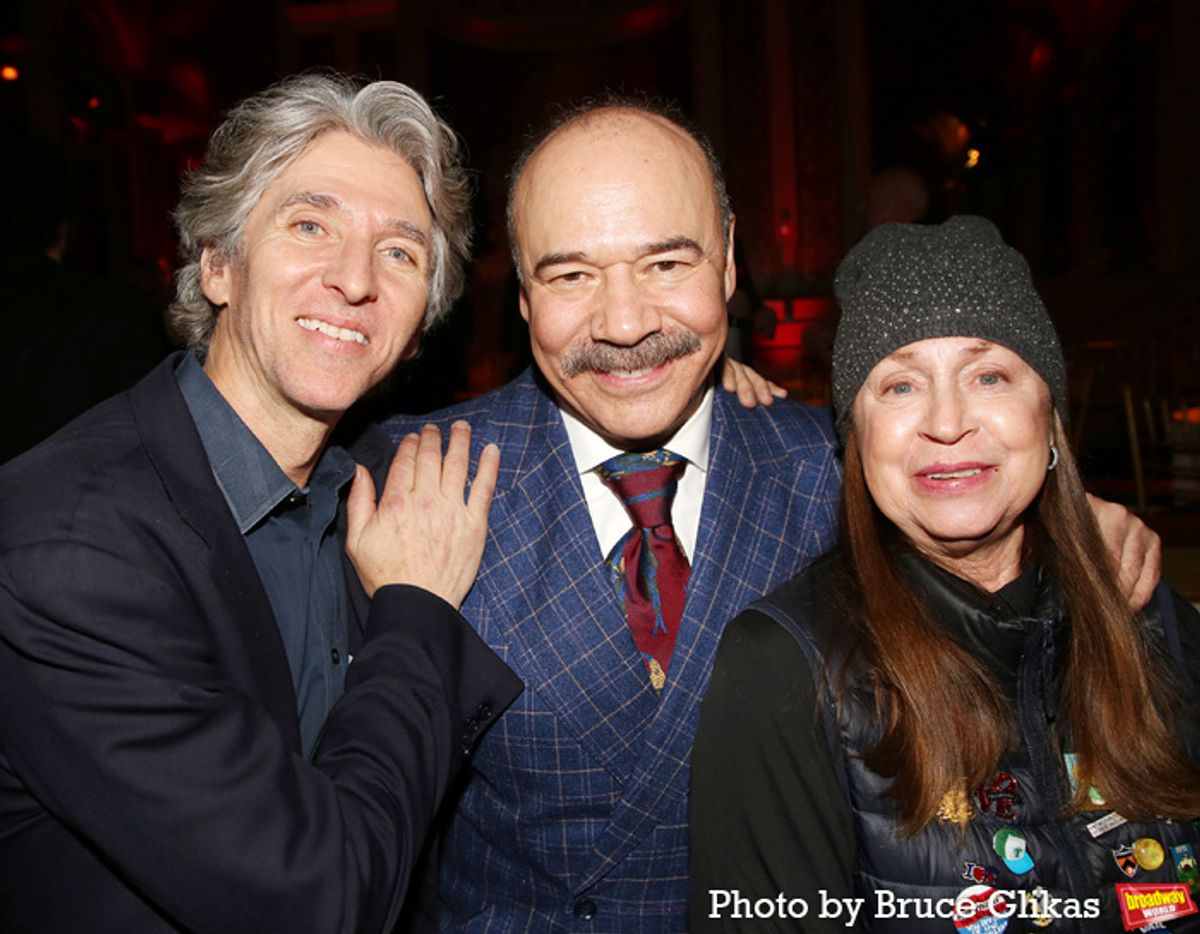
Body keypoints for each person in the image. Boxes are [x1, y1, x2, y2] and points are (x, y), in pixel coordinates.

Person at [378, 101, 1161, 932]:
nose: (625, 324)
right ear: (525, 297)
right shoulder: (413, 479)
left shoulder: (842, 472)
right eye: (571, 276)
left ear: (726, 266)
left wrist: (1067, 536)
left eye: (666, 265)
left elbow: (984, 532)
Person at [0, 74, 521, 933]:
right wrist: (416, 609)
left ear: (421, 321)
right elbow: (318, 900)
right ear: (218, 263)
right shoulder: (69, 548)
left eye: (400, 251)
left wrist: (696, 382)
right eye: (310, 224)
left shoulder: (380, 478)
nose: (355, 279)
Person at [689, 216, 1200, 933]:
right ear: (856, 438)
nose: (948, 421)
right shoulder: (787, 672)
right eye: (899, 387)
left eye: (989, 375)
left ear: (1047, 415)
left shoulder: (1154, 620)